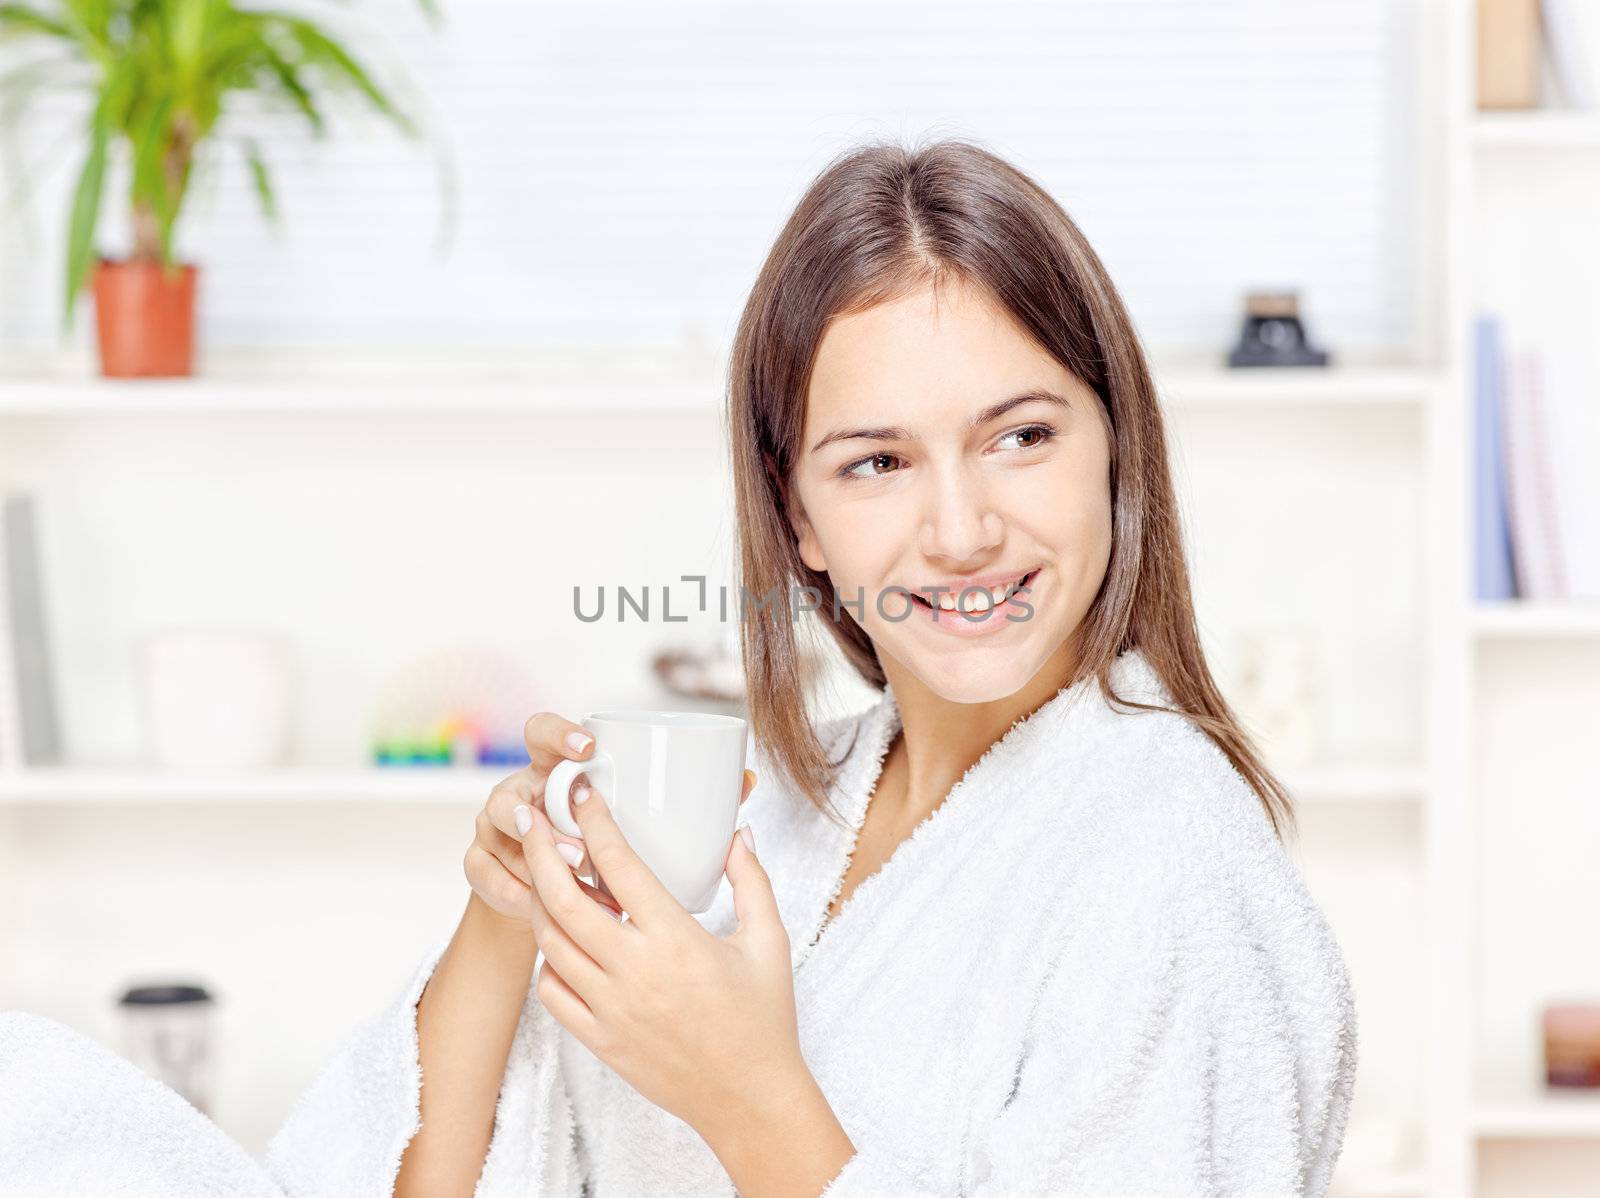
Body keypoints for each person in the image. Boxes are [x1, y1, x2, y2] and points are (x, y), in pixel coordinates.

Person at [265, 136, 1358, 1197]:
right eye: (877, 462)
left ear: (1114, 446)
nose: (961, 529)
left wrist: (749, 1101)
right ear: (801, 519)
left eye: (1020, 437)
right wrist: (510, 912)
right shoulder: (775, 814)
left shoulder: (1169, 854)